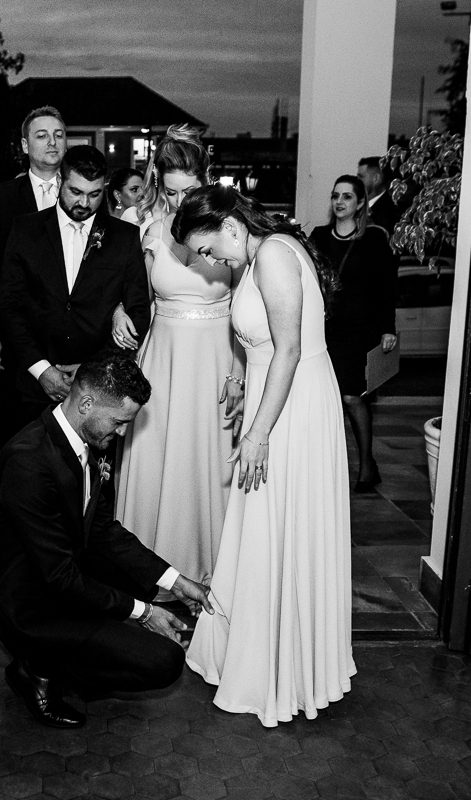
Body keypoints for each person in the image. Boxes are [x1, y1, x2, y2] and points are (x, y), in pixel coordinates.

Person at [174, 184, 354, 727]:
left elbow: (291, 348)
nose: (209, 263)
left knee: (280, 526)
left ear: (231, 227)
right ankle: (263, 654)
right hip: (274, 396)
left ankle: (284, 670)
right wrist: (237, 378)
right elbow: (257, 339)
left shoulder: (273, 253)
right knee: (262, 530)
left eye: (207, 251)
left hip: (292, 409)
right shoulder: (255, 256)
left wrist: (258, 434)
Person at [0, 351, 214, 728]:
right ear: (86, 403)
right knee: (164, 662)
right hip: (31, 599)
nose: (123, 432)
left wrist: (175, 580)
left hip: (63, 567)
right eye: (120, 422)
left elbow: (104, 530)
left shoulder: (86, 437)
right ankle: (39, 669)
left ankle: (71, 649)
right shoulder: (29, 463)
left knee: (138, 580)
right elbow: (59, 578)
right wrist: (145, 613)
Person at [110, 125, 240, 584]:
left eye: (190, 190)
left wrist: (240, 371)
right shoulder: (144, 227)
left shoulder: (231, 226)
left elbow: (248, 305)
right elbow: (129, 290)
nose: (181, 201)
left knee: (205, 460)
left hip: (216, 359)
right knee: (157, 458)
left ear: (205, 180)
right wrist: (118, 310)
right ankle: (151, 569)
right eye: (170, 191)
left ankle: (212, 570)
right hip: (161, 358)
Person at [0, 145, 151, 437]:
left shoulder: (124, 237)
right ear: (59, 182)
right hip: (33, 386)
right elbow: (10, 306)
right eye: (75, 192)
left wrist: (93, 369)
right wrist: (42, 369)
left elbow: (139, 312)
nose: (84, 202)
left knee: (90, 479)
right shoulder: (24, 230)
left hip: (98, 394)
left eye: (94, 195)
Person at [0, 107, 67, 455]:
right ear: (25, 144)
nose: (52, 142)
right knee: (18, 427)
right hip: (21, 329)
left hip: (69, 328)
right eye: (42, 135)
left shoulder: (83, 193)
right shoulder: (4, 196)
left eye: (59, 134)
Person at [309, 175, 398, 491]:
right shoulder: (318, 236)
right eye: (335, 195)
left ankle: (366, 465)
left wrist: (389, 328)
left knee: (352, 397)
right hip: (326, 329)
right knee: (325, 398)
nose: (340, 201)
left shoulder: (374, 238)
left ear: (360, 203)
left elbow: (387, 286)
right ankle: (326, 469)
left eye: (347, 196)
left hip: (362, 330)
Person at [357, 156, 400, 235]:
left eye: (361, 177)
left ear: (376, 179)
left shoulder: (390, 213)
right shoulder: (356, 205)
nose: (357, 181)